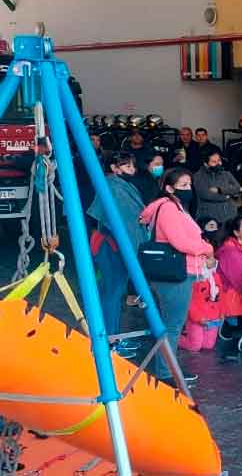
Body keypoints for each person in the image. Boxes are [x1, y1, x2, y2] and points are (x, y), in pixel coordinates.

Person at [139, 168, 215, 385]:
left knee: (170, 323)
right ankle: (166, 373)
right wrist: (206, 248)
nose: (188, 189)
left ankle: (167, 367)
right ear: (169, 188)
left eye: (189, 185)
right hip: (176, 273)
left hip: (177, 272)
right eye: (183, 185)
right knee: (172, 325)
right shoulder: (170, 209)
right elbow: (180, 242)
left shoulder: (171, 206)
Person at [87, 151, 147, 357]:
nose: (132, 170)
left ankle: (113, 338)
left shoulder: (118, 185)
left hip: (113, 244)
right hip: (110, 246)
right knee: (111, 294)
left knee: (114, 293)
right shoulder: (113, 187)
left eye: (132, 166)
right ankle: (108, 342)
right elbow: (125, 221)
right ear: (114, 168)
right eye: (127, 166)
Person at [215, 214, 242, 326]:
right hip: (233, 307)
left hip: (240, 299)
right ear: (236, 232)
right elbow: (241, 283)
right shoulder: (231, 252)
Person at [179, 256, 224, 353]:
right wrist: (198, 318)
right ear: (200, 260)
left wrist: (222, 312)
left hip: (213, 316)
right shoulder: (193, 278)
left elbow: (220, 297)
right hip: (197, 317)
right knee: (194, 346)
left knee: (208, 345)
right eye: (208, 258)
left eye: (212, 258)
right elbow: (189, 300)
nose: (213, 260)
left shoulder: (216, 276)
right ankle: (172, 339)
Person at [194, 150, 241, 226]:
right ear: (206, 164)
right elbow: (206, 195)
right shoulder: (199, 176)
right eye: (214, 162)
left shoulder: (226, 173)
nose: (218, 163)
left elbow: (237, 188)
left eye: (219, 160)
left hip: (230, 216)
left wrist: (220, 190)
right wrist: (228, 196)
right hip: (210, 217)